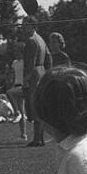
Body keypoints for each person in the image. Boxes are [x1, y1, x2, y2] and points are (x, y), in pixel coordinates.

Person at [21, 16, 51, 147]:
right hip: (42, 71)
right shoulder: (41, 39)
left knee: (34, 106)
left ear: (33, 25)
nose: (23, 26)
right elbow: (49, 58)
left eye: (25, 24)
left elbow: (30, 62)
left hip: (34, 74)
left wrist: (26, 79)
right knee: (39, 105)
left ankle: (37, 138)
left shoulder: (31, 41)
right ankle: (40, 137)